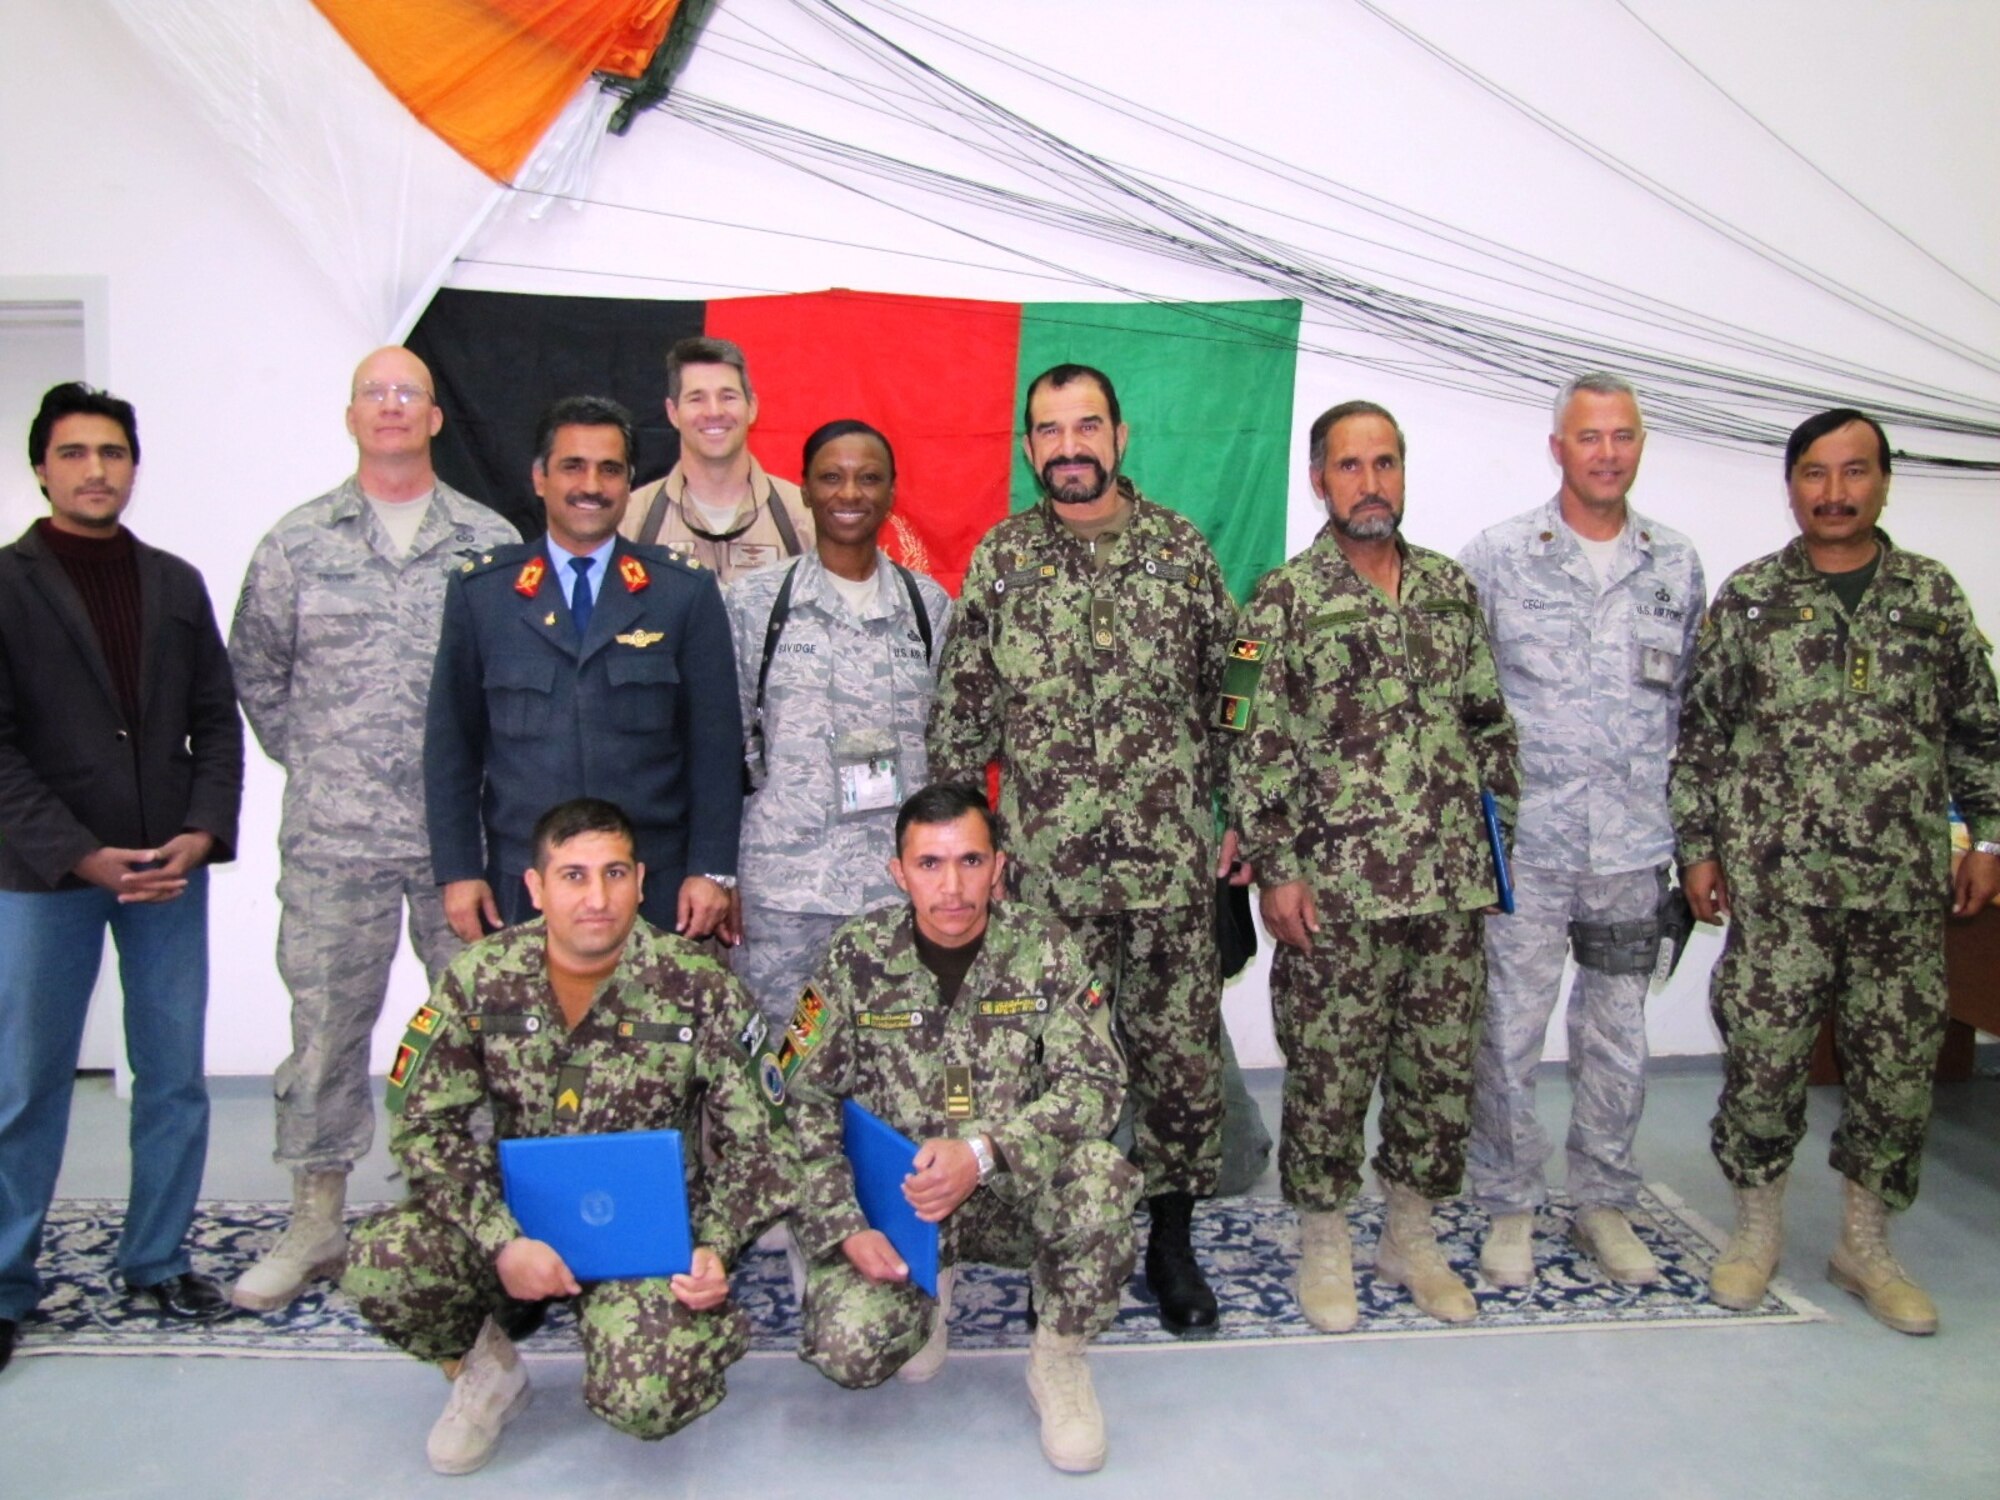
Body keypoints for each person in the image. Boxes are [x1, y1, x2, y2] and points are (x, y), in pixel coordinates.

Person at [927, 363, 1246, 1335]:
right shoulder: (1001, 562)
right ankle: (1053, 1239)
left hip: (1168, 872)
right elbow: (958, 717)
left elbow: (1235, 682)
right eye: (1048, 431)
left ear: (1118, 435)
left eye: (1085, 426)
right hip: (1047, 883)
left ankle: (1169, 1240)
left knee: (1176, 1063)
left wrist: (1236, 807)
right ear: (1029, 448)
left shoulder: (1179, 552)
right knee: (1044, 1065)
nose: (1068, 446)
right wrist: (955, 850)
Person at [1670, 407, 2000, 1335]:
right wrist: (1698, 847)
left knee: (1896, 1071)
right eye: (1815, 474)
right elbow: (1700, 738)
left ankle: (1865, 1243)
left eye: (1854, 473)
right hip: (1778, 891)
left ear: (1883, 482)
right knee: (1765, 1065)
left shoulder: (1931, 598)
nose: (1835, 492)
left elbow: (1981, 734)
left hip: (1901, 891)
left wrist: (1989, 839)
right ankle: (1756, 1232)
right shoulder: (1751, 600)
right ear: (1793, 485)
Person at [342, 798, 793, 1472]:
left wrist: (717, 1245)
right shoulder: (478, 979)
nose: (597, 898)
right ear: (536, 887)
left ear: (642, 881)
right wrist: (502, 1242)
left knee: (648, 1402)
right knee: (382, 1263)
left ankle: (700, 1328)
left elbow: (762, 1142)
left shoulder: (699, 987)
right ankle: (485, 1365)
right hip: (517, 1229)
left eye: (614, 874)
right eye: (573, 876)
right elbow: (424, 1128)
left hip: (646, 1235)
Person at [227, 347, 519, 1312]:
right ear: (352, 415)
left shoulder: (486, 542)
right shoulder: (297, 543)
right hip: (335, 838)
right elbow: (259, 676)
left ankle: (459, 1212)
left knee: (471, 1033)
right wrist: (325, 762)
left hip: (459, 842)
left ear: (436, 419)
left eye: (411, 395)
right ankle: (315, 1221)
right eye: (375, 394)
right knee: (325, 1034)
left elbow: (510, 679)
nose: (392, 409)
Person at [1223, 401, 1518, 1331]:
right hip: (1337, 892)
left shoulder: (1447, 588)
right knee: (1329, 1071)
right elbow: (1251, 742)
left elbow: (1489, 722)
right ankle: (1324, 1240)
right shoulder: (1279, 599)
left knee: (1438, 1072)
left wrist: (1491, 828)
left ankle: (1410, 1235)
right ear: (1320, 480)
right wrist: (1277, 867)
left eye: (1385, 463)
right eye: (1349, 466)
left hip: (1448, 886)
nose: (1370, 483)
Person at [783, 783, 1138, 1473]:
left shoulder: (1048, 948)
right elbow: (799, 1096)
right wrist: (843, 1224)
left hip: (1008, 1193)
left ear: (999, 866)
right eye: (930, 864)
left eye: (971, 862)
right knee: (852, 1353)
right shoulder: (854, 955)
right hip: (900, 1209)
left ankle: (1059, 1358)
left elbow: (1097, 1084)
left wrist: (984, 1153)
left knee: (1102, 1182)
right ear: (898, 873)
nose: (953, 887)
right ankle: (926, 1288)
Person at [0, 382, 244, 1366]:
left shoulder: (175, 584)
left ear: (133, 465)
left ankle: (157, 1261)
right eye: (74, 453)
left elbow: (216, 722)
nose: (96, 469)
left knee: (173, 1078)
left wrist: (199, 830)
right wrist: (78, 851)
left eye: (112, 452)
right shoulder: (7, 586)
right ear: (42, 466)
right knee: (26, 1085)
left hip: (167, 869)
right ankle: (10, 1278)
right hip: (45, 876)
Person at [1458, 372, 1705, 1288]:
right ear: (1557, 447)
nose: (1607, 453)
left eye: (1624, 436)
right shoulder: (1497, 557)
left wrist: (1692, 842)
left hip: (1632, 850)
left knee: (1616, 1035)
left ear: (1641, 445)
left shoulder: (1675, 565)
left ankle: (1603, 1201)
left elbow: (1691, 713)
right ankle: (1509, 1203)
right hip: (1525, 851)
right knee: (1509, 1031)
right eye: (1589, 437)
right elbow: (1459, 704)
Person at [425, 394, 743, 944]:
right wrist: (458, 870)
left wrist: (713, 869)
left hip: (653, 884)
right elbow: (451, 744)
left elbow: (715, 746)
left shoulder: (680, 593)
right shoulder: (485, 593)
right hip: (522, 886)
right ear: (539, 477)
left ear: (628, 483)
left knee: (652, 1030)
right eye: (573, 466)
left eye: (610, 469)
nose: (591, 485)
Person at [724, 419, 951, 1025]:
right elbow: (721, 748)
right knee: (782, 1068)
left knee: (894, 1069)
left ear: (892, 491)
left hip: (894, 891)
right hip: (783, 896)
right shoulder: (755, 605)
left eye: (868, 477)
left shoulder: (928, 608)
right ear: (803, 488)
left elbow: (950, 748)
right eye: (831, 476)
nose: (849, 493)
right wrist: (723, 876)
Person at [618, 335, 816, 583]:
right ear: (672, 413)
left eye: (728, 396)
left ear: (752, 407)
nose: (713, 412)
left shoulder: (804, 517)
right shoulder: (630, 520)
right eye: (696, 398)